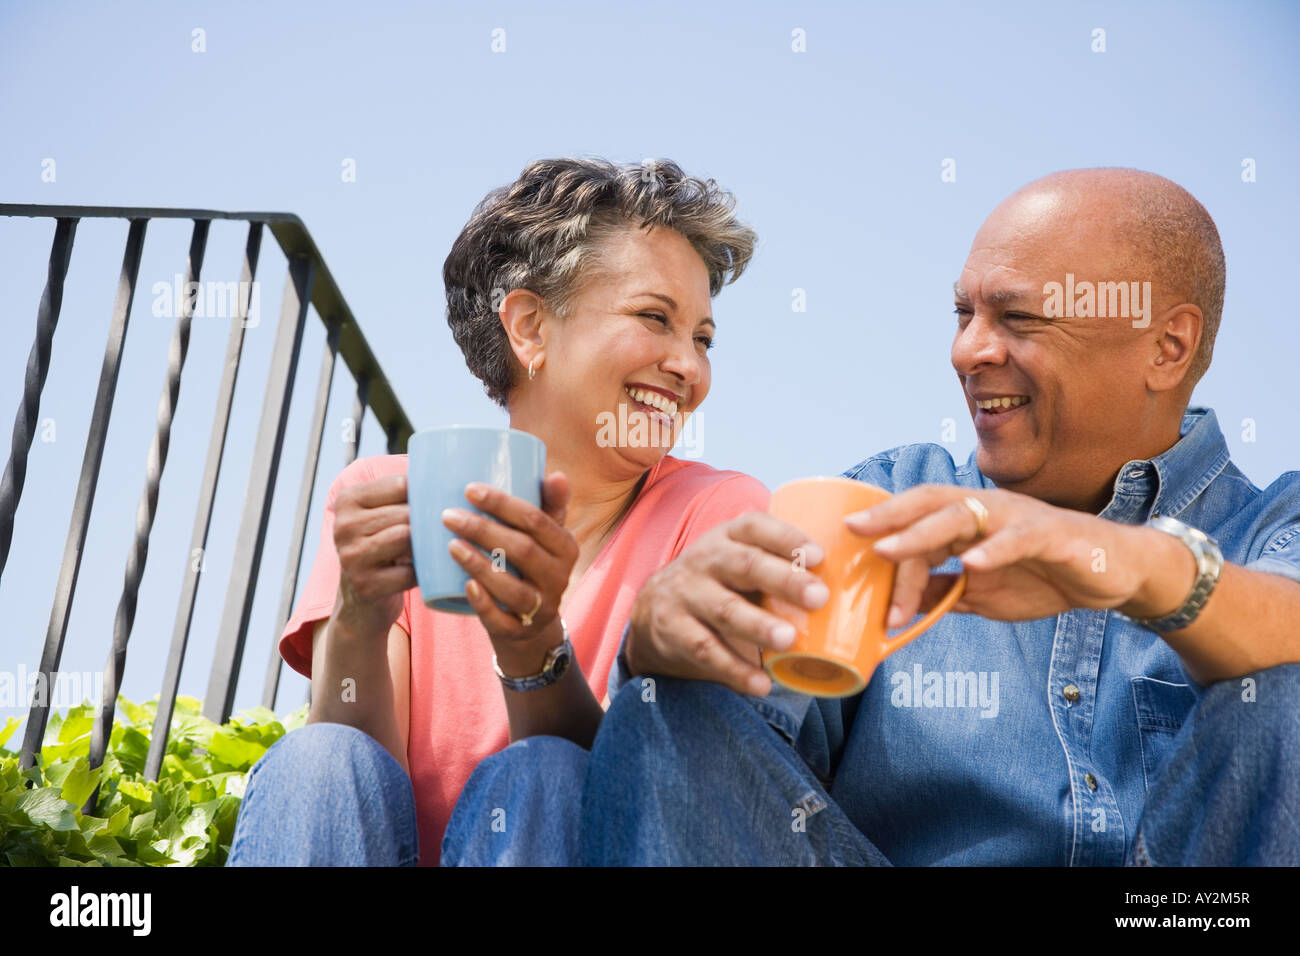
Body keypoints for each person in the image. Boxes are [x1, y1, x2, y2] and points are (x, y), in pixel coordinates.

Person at [443, 167, 1300, 866]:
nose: (969, 351)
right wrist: (658, 646)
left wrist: (1126, 563)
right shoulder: (882, 506)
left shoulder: (1273, 523)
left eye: (1019, 318)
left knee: (1281, 689)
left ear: (1168, 346)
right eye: (965, 314)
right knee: (667, 703)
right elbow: (732, 742)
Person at [225, 157, 766, 866]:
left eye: (702, 337)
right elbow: (350, 793)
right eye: (654, 318)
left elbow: (669, 808)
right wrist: (360, 615)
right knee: (318, 760)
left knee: (545, 772)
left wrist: (532, 647)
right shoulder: (387, 497)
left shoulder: (717, 512)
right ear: (531, 328)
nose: (689, 368)